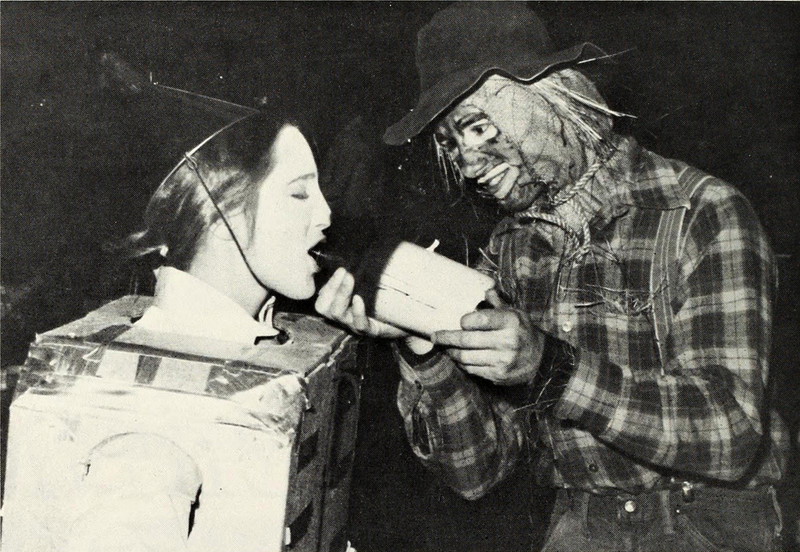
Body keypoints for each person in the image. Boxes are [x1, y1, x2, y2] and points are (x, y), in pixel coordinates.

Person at [315, 4, 790, 551]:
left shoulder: (700, 214)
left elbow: (731, 435)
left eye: (479, 127)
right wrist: (423, 346)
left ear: (553, 95)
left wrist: (550, 368)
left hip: (708, 524)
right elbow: (476, 472)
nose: (467, 165)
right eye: (451, 144)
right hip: (579, 524)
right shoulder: (512, 250)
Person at [65, 109, 331, 551]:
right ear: (222, 217)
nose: (326, 213)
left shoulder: (245, 345)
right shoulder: (153, 414)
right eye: (299, 193)